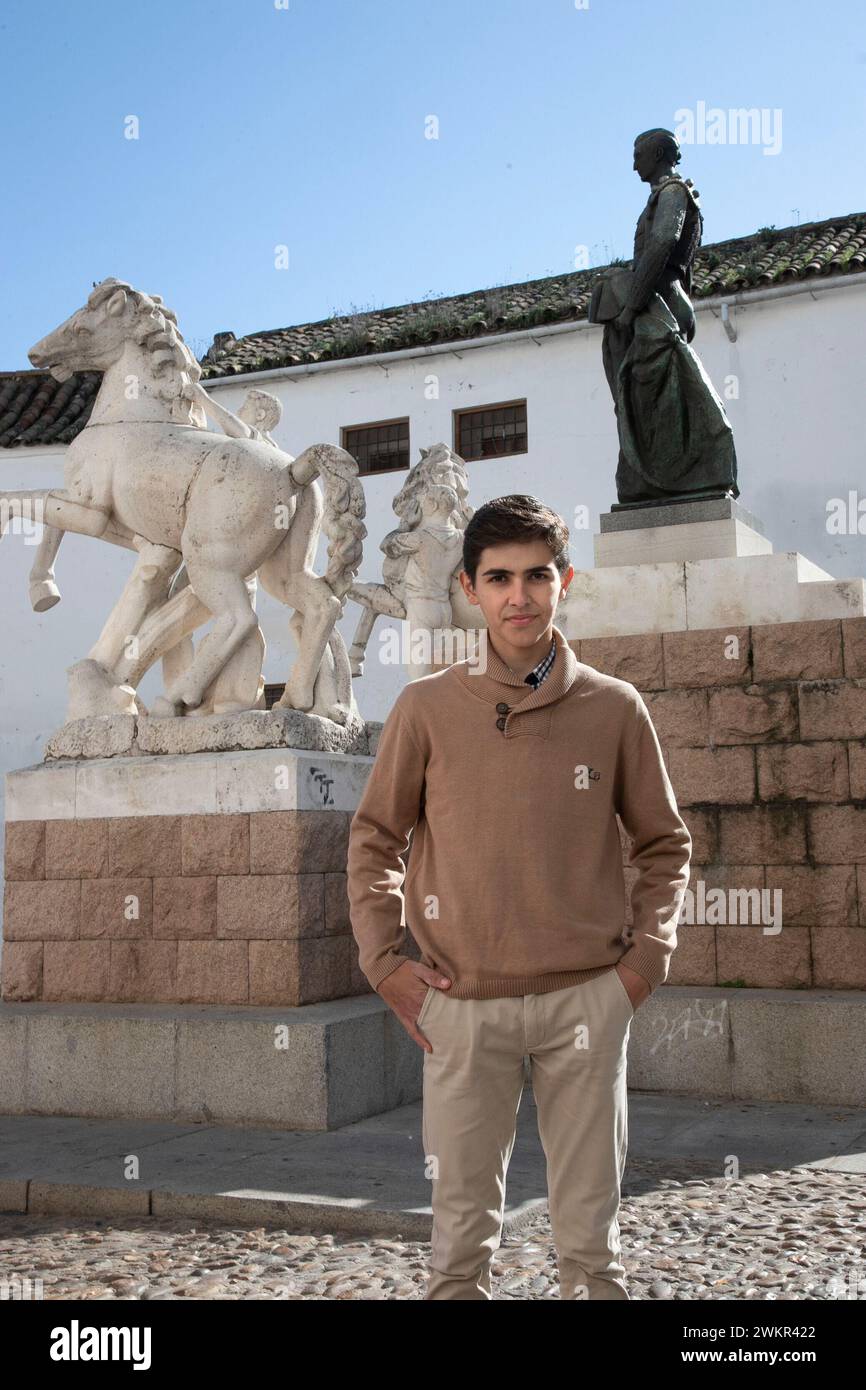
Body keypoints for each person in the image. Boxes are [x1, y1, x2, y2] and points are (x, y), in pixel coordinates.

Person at [347, 494, 692, 1299]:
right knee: (458, 1254)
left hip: (587, 1002)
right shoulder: (426, 708)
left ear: (564, 581)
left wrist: (644, 965)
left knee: (591, 1253)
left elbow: (664, 844)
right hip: (461, 1006)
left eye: (537, 576)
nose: (520, 596)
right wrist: (383, 961)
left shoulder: (615, 708)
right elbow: (373, 839)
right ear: (470, 588)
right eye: (499, 577)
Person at [589, 127, 738, 505]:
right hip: (661, 299)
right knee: (648, 401)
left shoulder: (673, 193)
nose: (633, 163)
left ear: (656, 154)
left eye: (638, 154)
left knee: (654, 396)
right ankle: (652, 480)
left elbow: (662, 244)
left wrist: (633, 304)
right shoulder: (664, 195)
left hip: (663, 302)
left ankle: (675, 478)